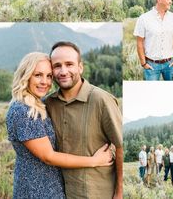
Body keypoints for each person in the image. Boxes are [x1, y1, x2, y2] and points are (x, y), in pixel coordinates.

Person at [6, 52, 113, 199]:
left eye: (49, 76)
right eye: (38, 75)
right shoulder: (23, 110)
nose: (45, 81)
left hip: (46, 186)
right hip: (38, 189)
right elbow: (48, 156)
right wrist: (94, 161)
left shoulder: (38, 105)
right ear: (26, 76)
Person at [45, 41, 123, 199]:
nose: (63, 71)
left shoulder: (101, 100)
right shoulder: (48, 104)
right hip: (60, 193)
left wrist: (119, 192)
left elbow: (121, 145)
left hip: (97, 193)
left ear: (80, 67)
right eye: (57, 65)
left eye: (69, 64)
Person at [134, 0, 173, 80]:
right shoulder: (144, 18)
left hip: (171, 64)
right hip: (151, 65)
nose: (171, 1)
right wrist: (144, 63)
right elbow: (139, 42)